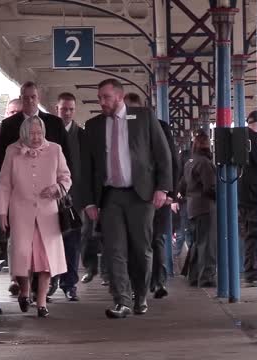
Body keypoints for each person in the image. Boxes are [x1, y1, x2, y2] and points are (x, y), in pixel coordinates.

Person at [82, 79, 172, 318]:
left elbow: (163, 155)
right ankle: (121, 300)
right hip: (110, 196)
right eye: (100, 97)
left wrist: (163, 187)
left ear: (119, 96)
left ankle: (140, 296)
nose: (102, 102)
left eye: (106, 97)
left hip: (141, 196)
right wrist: (89, 201)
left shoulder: (144, 118)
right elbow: (87, 167)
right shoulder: (93, 126)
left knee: (141, 250)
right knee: (114, 250)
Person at [0, 81, 71, 298]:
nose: (29, 101)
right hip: (20, 207)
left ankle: (42, 299)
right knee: (22, 253)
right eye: (25, 97)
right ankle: (25, 291)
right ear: (21, 98)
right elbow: (2, 174)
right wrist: (1, 208)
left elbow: (67, 168)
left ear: (39, 98)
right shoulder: (9, 127)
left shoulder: (54, 125)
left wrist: (62, 190)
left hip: (48, 208)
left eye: (33, 97)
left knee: (46, 255)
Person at [124, 92, 179, 299]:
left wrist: (169, 192)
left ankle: (158, 281)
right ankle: (139, 282)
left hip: (158, 193)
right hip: (134, 194)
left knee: (157, 238)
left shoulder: (160, 127)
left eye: (133, 110)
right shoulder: (121, 128)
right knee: (137, 240)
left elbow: (171, 159)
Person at [50, 92, 84, 301]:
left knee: (72, 241)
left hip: (74, 199)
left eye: (71, 109)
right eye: (64, 109)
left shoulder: (81, 135)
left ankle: (70, 283)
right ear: (57, 109)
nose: (68, 112)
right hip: (51, 196)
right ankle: (52, 280)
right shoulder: (46, 133)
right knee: (52, 240)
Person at [178, 132, 217, 287]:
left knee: (197, 242)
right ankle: (206, 277)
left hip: (192, 207)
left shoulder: (190, 162)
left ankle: (194, 275)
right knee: (207, 244)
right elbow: (210, 187)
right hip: (205, 207)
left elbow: (182, 185)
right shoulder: (205, 163)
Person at [238, 111, 257, 287]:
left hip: (243, 195)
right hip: (253, 195)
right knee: (254, 234)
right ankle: (252, 272)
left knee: (248, 234)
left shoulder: (241, 139)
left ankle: (250, 270)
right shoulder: (254, 140)